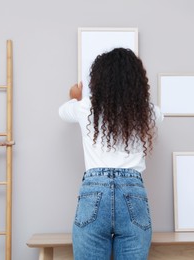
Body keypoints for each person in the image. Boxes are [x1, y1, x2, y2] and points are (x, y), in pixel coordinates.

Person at [59, 48, 163, 260]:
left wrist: (74, 97)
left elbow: (63, 112)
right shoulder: (146, 111)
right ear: (136, 80)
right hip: (132, 192)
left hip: (94, 190)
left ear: (98, 80)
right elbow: (160, 116)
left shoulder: (85, 107)